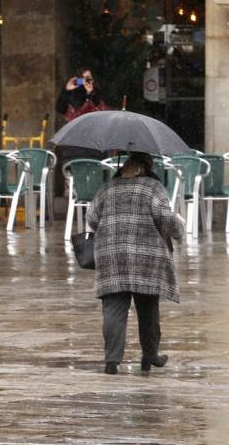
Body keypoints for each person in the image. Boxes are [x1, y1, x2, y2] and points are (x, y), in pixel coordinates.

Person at [86, 152, 185, 375]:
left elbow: (91, 218)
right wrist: (179, 229)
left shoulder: (107, 188)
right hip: (147, 255)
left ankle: (112, 361)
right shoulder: (153, 187)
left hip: (112, 255)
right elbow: (163, 217)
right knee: (148, 308)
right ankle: (150, 355)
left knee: (113, 309)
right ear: (147, 168)